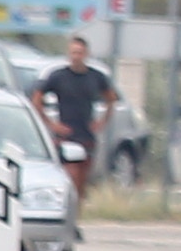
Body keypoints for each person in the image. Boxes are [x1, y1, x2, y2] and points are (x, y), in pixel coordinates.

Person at [38, 34, 120, 190]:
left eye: (79, 53)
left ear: (86, 54)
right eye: (73, 53)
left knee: (82, 181)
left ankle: (77, 210)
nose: (76, 57)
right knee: (71, 176)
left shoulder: (96, 77)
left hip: (87, 135)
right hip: (66, 135)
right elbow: (36, 98)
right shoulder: (58, 76)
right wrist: (51, 124)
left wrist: (102, 121)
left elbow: (111, 98)